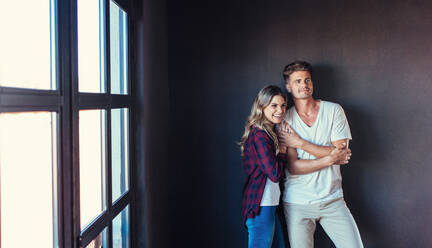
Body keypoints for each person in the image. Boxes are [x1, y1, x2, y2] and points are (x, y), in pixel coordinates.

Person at [278, 61, 363, 248]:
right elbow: (293, 166)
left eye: (307, 80)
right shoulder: (285, 119)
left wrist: (300, 143)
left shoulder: (333, 110)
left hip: (332, 199)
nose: (304, 85)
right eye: (298, 81)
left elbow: (341, 153)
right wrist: (330, 158)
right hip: (297, 203)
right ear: (288, 86)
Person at [239, 85, 288, 248]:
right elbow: (274, 173)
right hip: (261, 205)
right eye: (274, 105)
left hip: (270, 204)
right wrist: (282, 151)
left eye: (283, 105)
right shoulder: (260, 135)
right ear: (262, 106)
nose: (280, 110)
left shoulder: (267, 132)